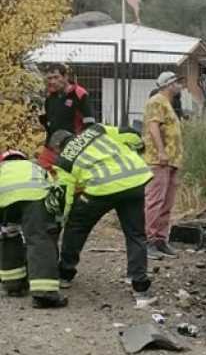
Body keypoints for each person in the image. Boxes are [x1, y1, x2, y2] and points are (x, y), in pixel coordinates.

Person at [48, 125, 158, 308]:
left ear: (57, 148)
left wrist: (61, 219)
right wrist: (136, 149)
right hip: (134, 180)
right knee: (135, 234)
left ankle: (65, 274)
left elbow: (65, 195)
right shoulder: (97, 130)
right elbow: (132, 136)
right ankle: (140, 288)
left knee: (76, 227)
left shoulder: (64, 160)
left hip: (101, 188)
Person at [0, 150, 66, 308]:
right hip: (35, 196)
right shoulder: (35, 167)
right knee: (39, 239)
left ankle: (13, 285)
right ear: (24, 158)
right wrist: (56, 222)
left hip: (3, 199)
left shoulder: (2, 169)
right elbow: (56, 190)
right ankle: (44, 294)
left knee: (8, 235)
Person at [143, 71, 184, 259]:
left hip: (172, 161)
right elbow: (153, 127)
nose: (179, 85)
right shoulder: (157, 101)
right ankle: (148, 240)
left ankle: (160, 239)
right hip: (159, 160)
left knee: (167, 202)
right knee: (155, 200)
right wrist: (161, 151)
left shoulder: (168, 103)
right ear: (168, 84)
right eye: (176, 82)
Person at [38, 63, 95, 170]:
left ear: (65, 77)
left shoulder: (79, 94)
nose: (52, 81)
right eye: (49, 78)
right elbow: (48, 123)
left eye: (56, 77)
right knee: (41, 170)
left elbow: (90, 124)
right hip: (52, 146)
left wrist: (80, 145)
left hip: (73, 146)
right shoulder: (50, 97)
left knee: (68, 176)